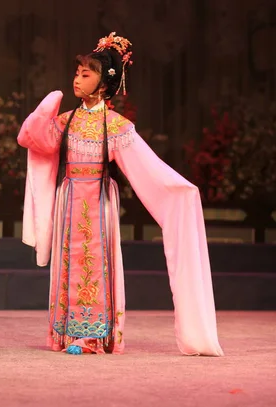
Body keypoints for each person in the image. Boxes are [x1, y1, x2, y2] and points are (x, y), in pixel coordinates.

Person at [17, 32, 224, 357]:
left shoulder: (115, 126)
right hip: (69, 199)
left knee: (94, 266)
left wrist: (179, 189)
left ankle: (93, 338)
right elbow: (30, 137)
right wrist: (49, 104)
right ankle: (65, 333)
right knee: (68, 265)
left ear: (103, 84)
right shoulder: (66, 121)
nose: (77, 79)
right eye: (76, 72)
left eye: (86, 74)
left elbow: (148, 168)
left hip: (98, 203)